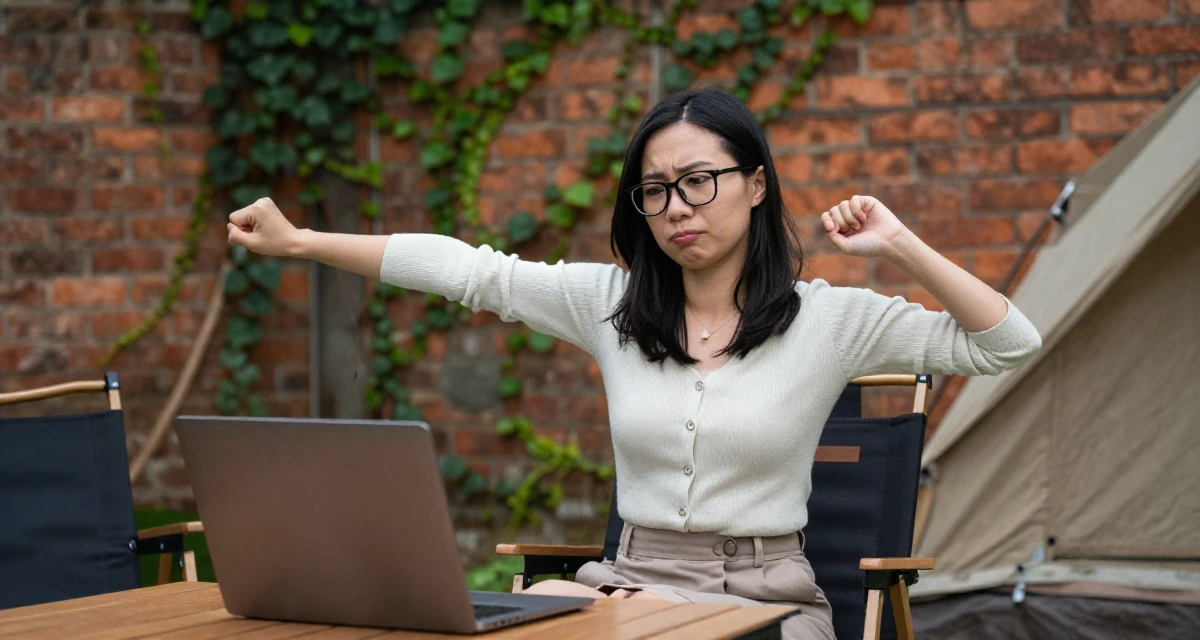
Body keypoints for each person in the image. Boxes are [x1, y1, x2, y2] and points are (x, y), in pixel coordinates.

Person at [226, 87, 1042, 639]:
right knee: (531, 615)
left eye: (698, 181)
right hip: (629, 581)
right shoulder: (611, 308)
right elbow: (471, 270)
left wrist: (896, 242)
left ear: (756, 185)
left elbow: (1008, 344)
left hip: (766, 602)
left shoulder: (831, 320)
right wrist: (301, 242)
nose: (676, 208)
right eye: (654, 191)